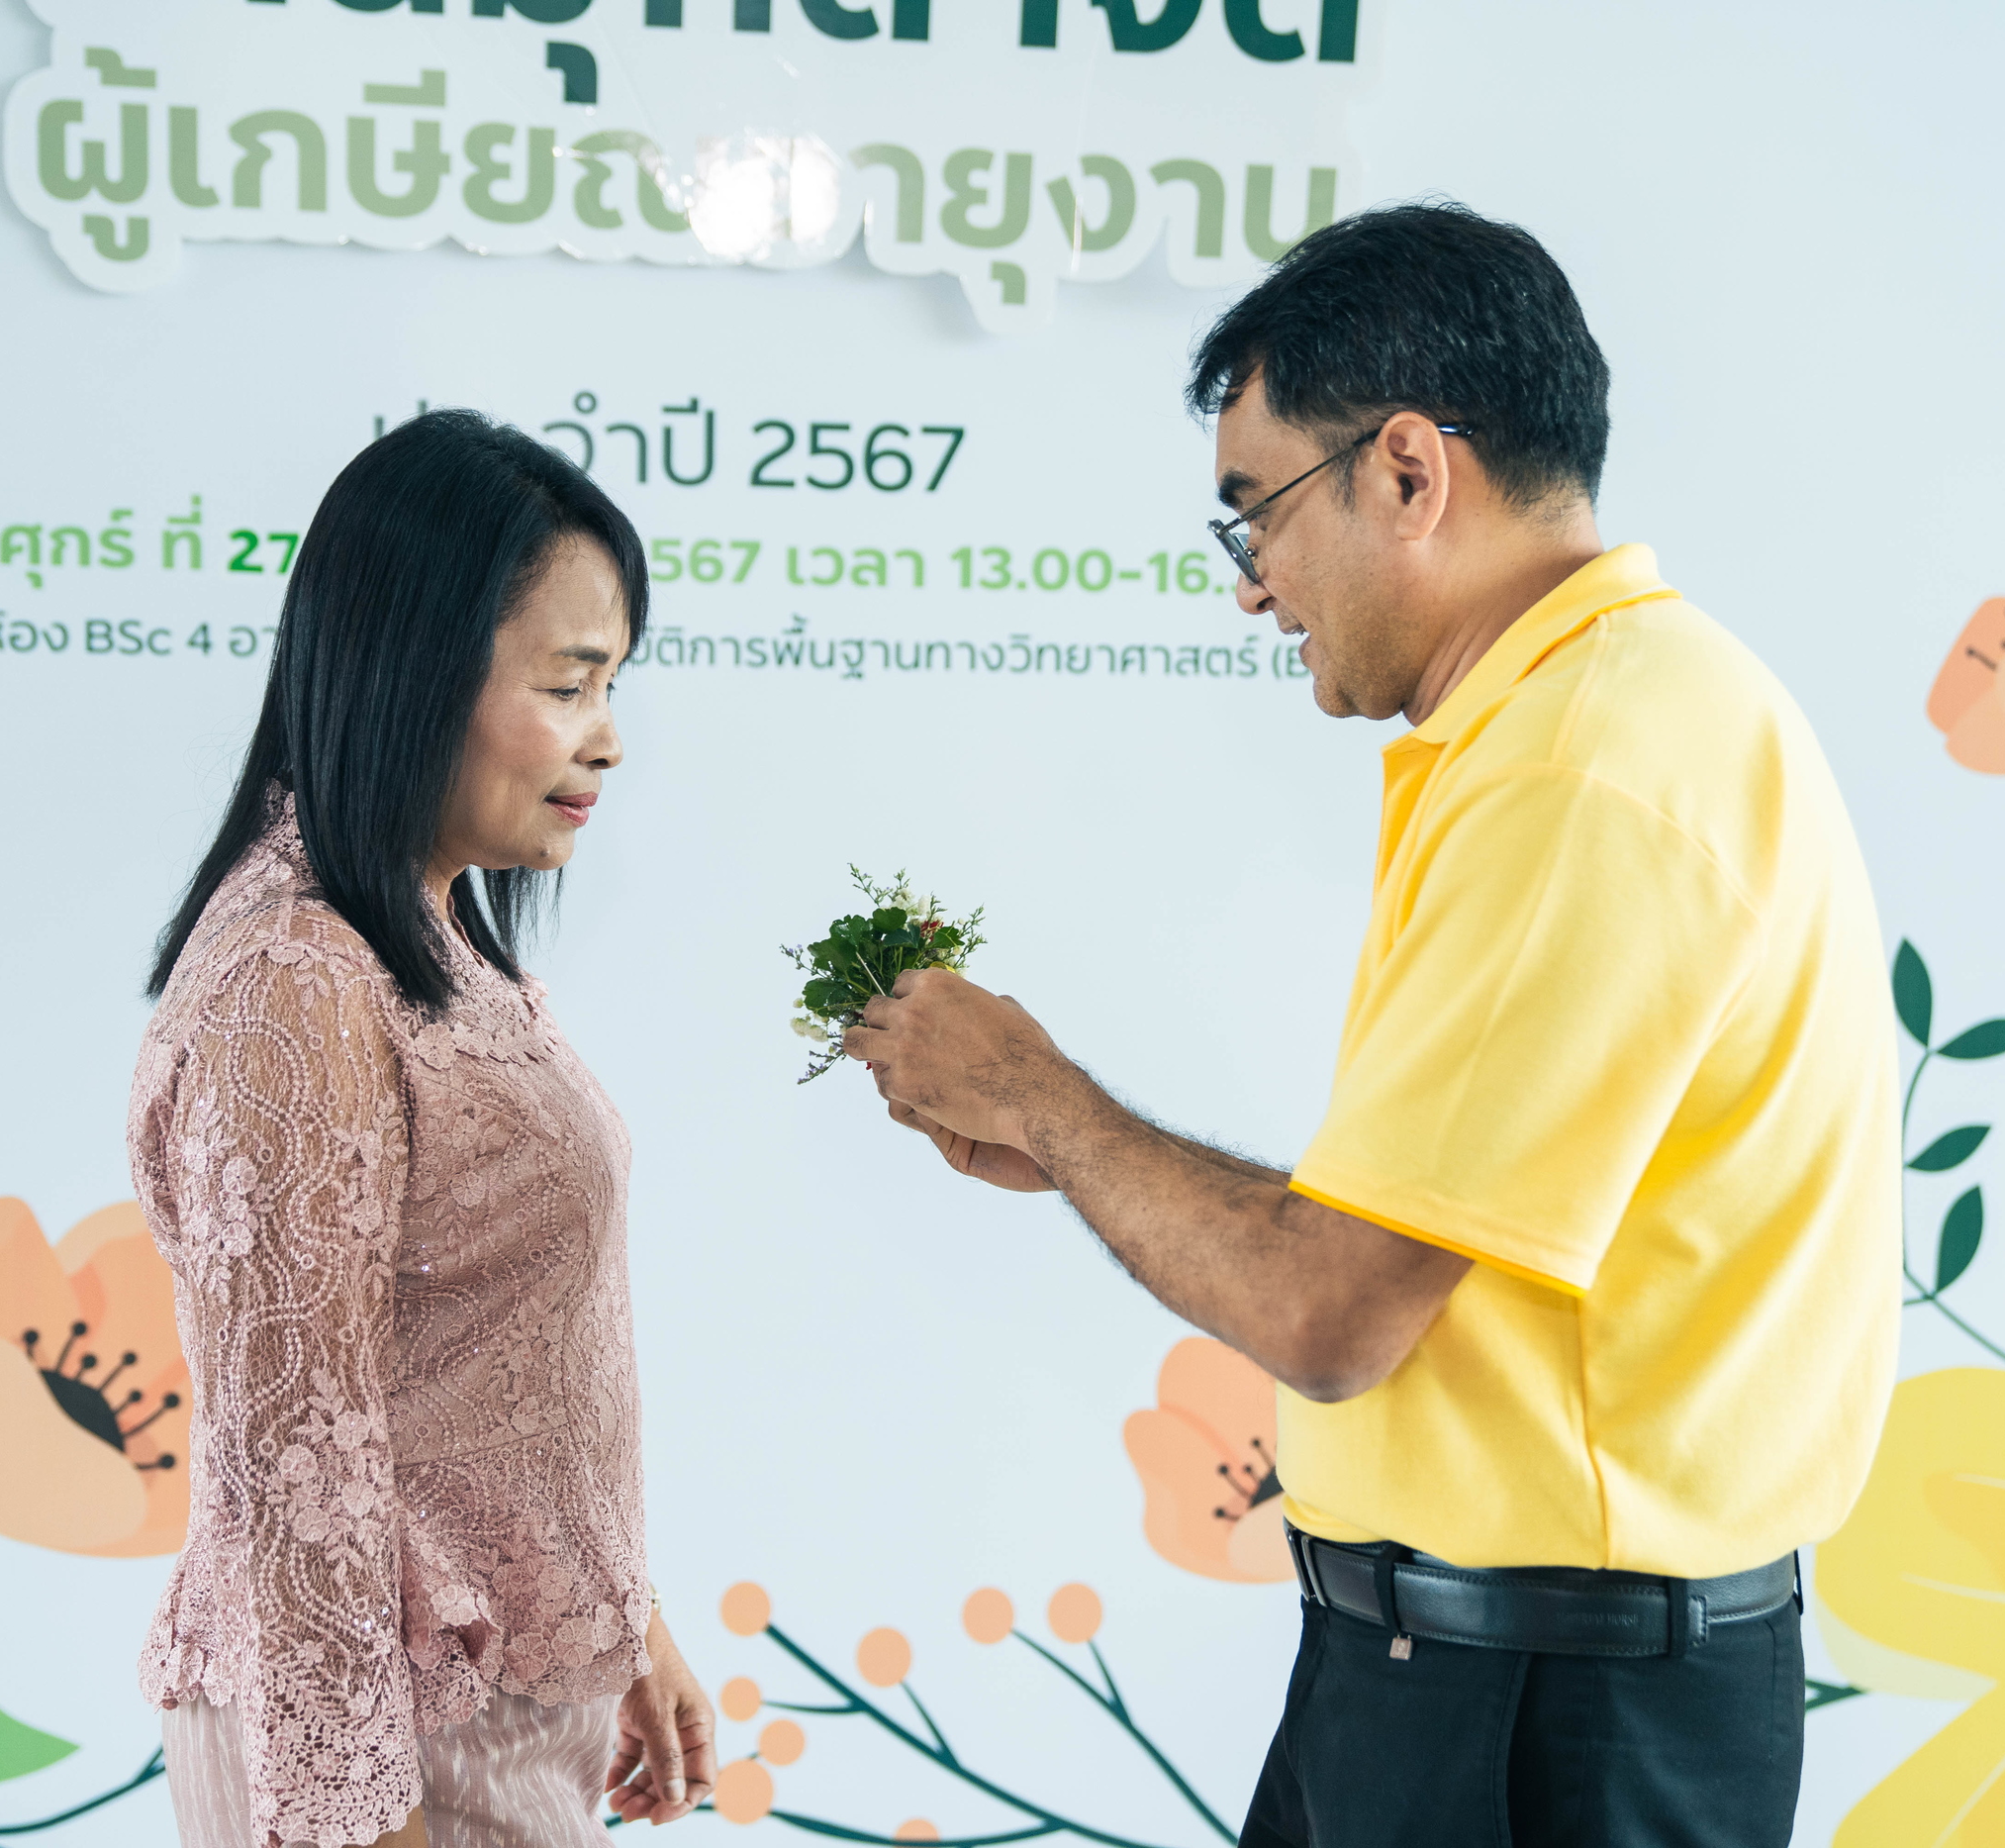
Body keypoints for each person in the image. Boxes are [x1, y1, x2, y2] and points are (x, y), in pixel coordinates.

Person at [845, 203, 1900, 1846]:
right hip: (1480, 1670)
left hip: (1538, 1706)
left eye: (1254, 513)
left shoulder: (1583, 770)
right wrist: (1080, 1149)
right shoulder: (1602, 719)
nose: (1253, 589)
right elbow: (1401, 1244)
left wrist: (1047, 1100)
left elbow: (1332, 1308)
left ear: (1408, 470)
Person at [129, 411, 714, 1848]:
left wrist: (627, 1619)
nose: (609, 738)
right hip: (384, 1756)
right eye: (569, 685)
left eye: (612, 684)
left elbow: (480, 1370)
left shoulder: (417, 928)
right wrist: (357, 1820)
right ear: (416, 670)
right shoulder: (294, 980)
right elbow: (295, 1464)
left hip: (484, 1719)